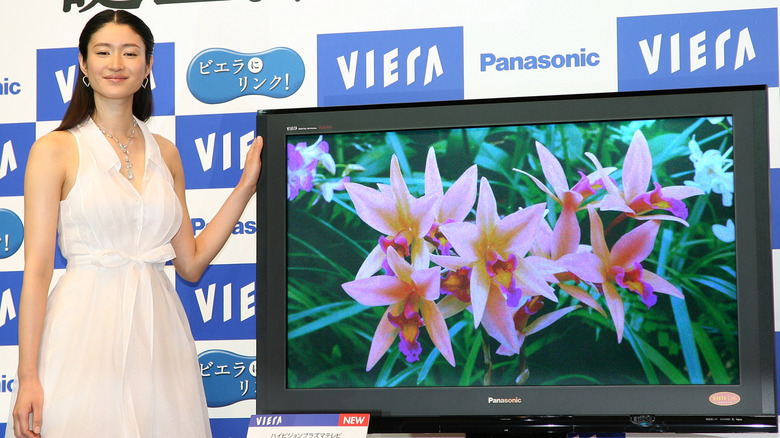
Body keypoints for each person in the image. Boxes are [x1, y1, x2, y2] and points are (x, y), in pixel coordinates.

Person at [6, 9, 262, 438]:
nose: (117, 64)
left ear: (148, 66)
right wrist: (27, 375)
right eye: (103, 52)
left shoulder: (167, 153)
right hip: (82, 334)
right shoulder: (54, 150)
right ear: (84, 65)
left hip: (158, 334)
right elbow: (36, 271)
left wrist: (245, 187)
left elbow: (191, 263)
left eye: (130, 53)